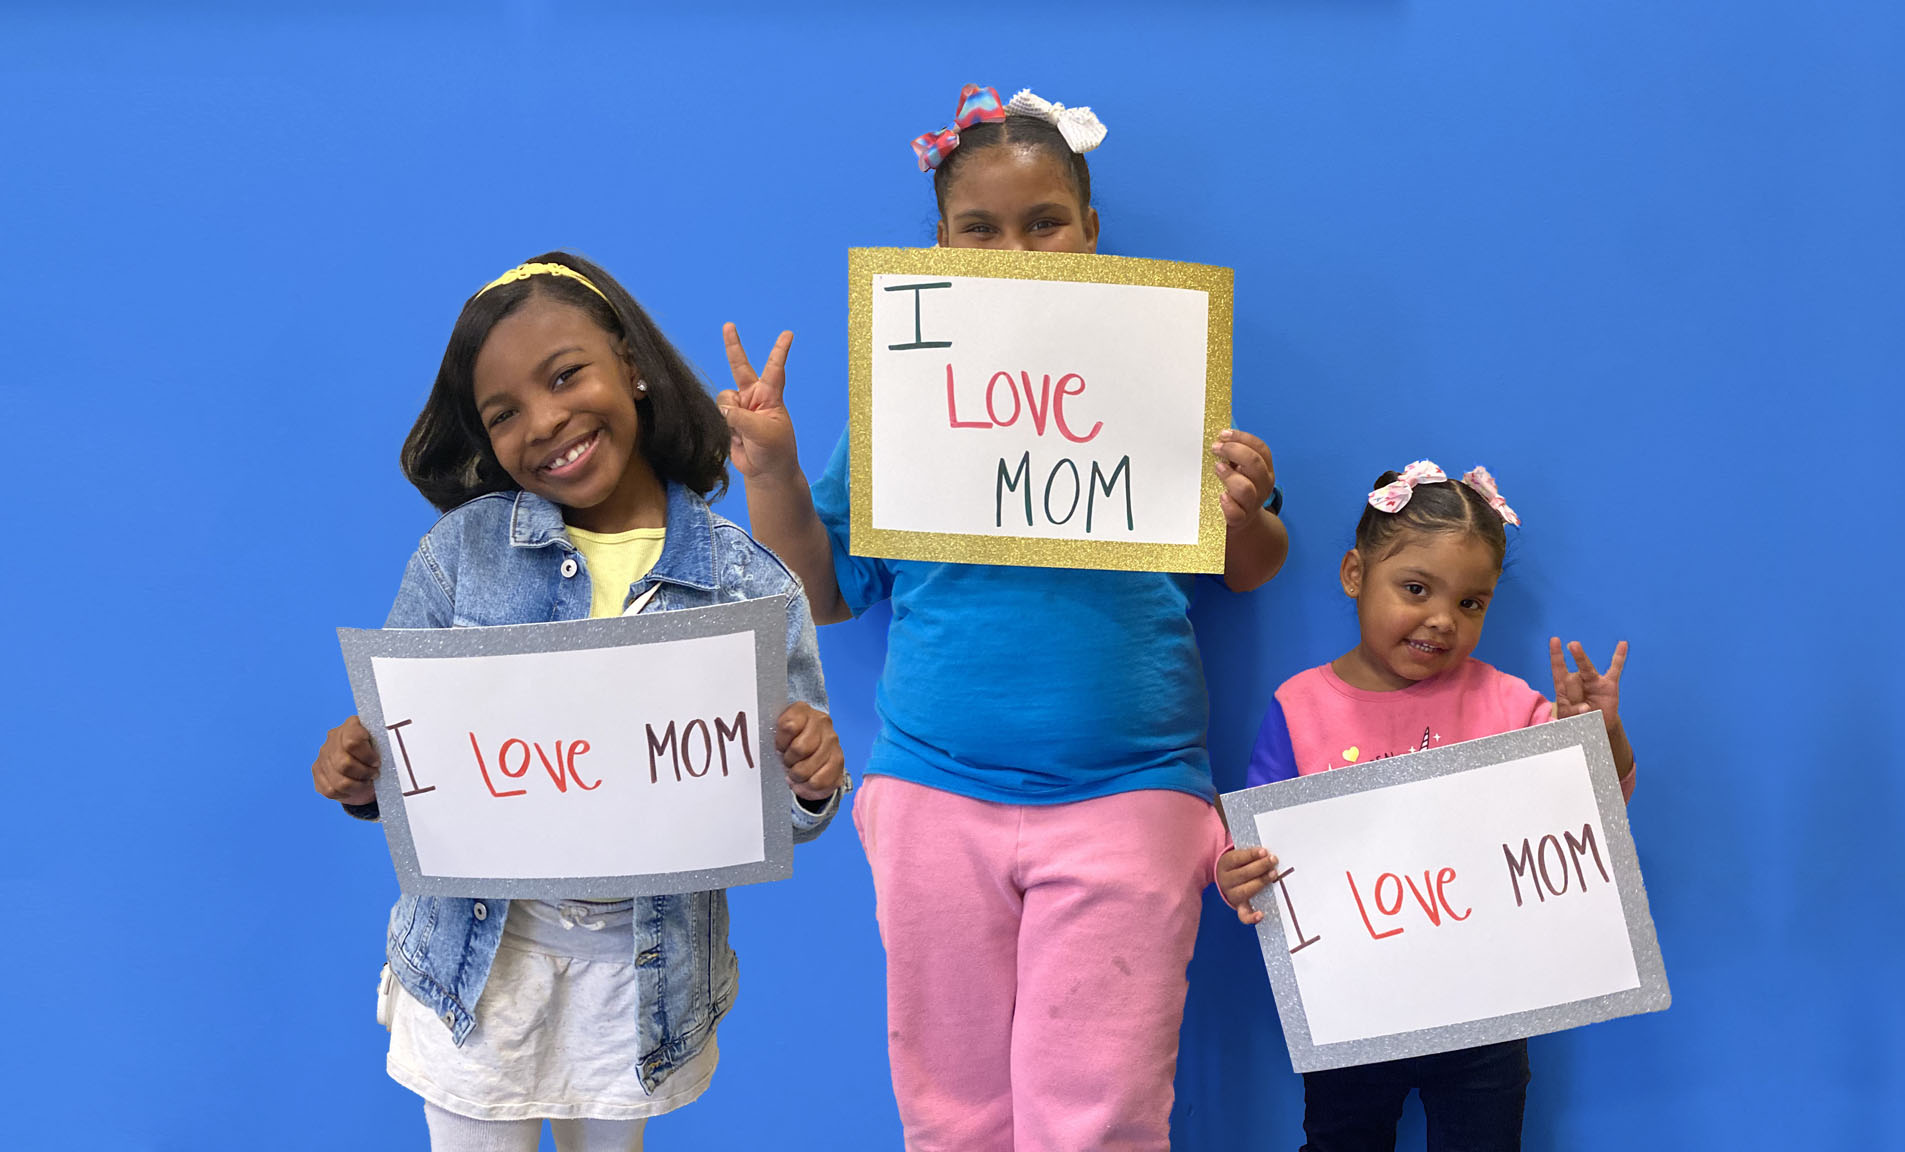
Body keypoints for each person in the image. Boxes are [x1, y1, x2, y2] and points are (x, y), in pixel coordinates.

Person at [716, 85, 1291, 1151]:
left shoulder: (1162, 375)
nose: (1017, 251)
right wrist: (772, 473)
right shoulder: (904, 396)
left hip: (1132, 796)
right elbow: (824, 593)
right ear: (940, 242)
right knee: (952, 1110)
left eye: (1045, 223)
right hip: (935, 793)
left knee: (1103, 1112)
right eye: (980, 228)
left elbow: (1252, 569)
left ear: (1092, 231)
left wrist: (1248, 510)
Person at [309, 253, 846, 1152]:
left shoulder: (748, 584)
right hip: (479, 967)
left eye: (565, 376)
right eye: (504, 414)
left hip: (638, 980)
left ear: (631, 365)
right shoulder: (458, 557)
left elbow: (784, 813)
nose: (546, 421)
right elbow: (404, 753)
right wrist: (360, 775)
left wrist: (811, 777)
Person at [1217, 460, 1636, 1152]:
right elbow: (1256, 839)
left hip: (1487, 1007)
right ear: (1355, 574)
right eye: (1416, 589)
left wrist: (1597, 736)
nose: (1443, 620)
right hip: (1350, 1006)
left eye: (1471, 604)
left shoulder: (1509, 703)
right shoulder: (1300, 706)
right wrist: (1235, 871)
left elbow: (1596, 806)